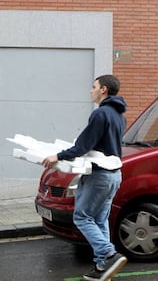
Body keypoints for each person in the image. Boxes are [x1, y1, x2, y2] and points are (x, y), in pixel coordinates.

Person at [42, 75, 128, 281]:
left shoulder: (100, 114)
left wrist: (58, 156)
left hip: (99, 176)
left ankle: (109, 254)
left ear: (104, 90)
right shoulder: (119, 115)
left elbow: (83, 145)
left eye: (94, 87)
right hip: (114, 175)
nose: (91, 90)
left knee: (82, 217)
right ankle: (101, 269)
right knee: (99, 219)